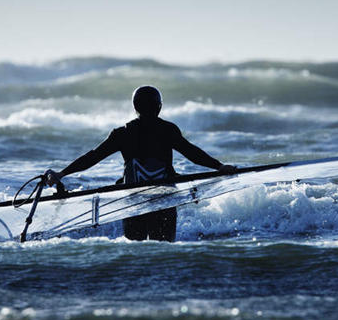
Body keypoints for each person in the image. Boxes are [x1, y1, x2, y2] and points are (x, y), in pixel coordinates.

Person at [43, 86, 236, 242]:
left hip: (134, 200)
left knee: (137, 253)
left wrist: (62, 174)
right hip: (164, 199)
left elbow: (92, 157)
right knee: (164, 251)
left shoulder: (123, 133)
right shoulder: (167, 130)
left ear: (135, 107)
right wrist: (219, 167)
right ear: (159, 107)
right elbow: (192, 153)